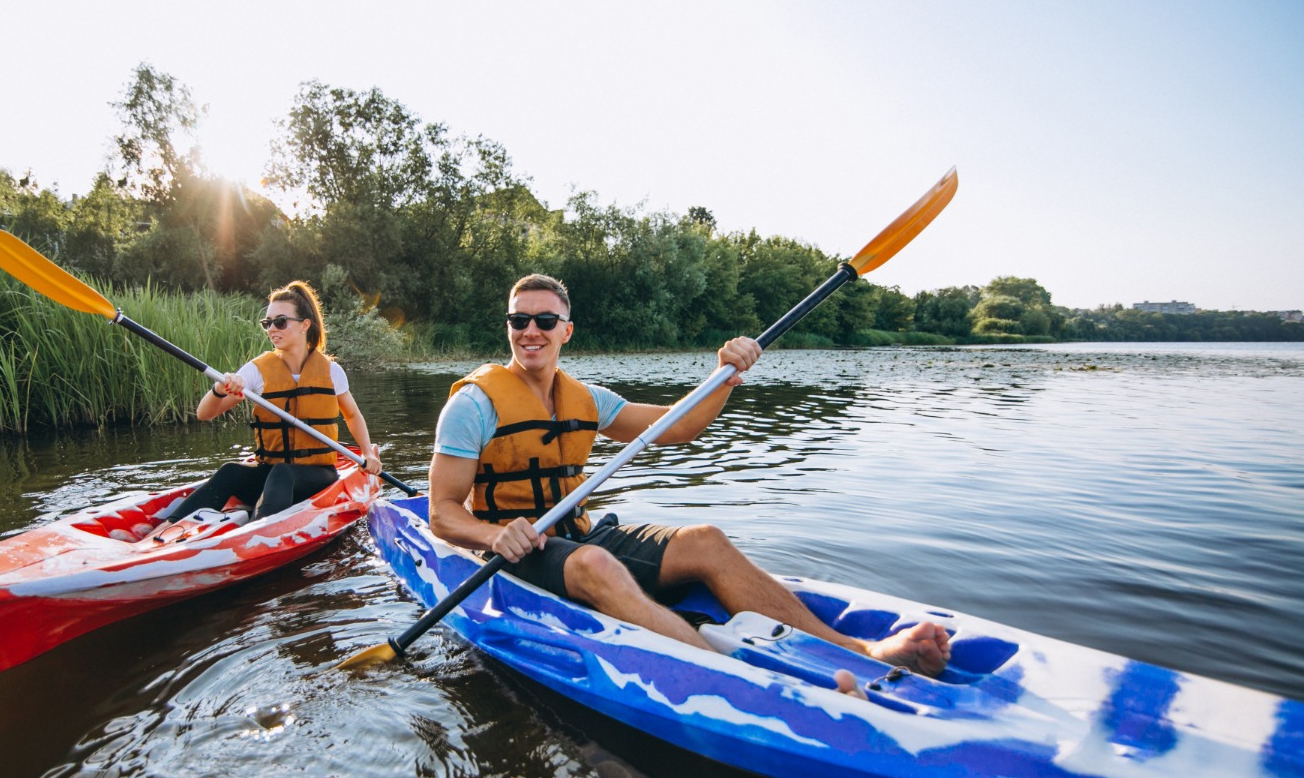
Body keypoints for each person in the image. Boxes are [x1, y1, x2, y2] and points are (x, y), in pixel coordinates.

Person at [426, 273, 950, 676]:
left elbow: (680, 426)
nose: (531, 331)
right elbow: (442, 513)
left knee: (705, 540)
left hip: (577, 535)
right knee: (595, 564)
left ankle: (865, 651)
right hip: (513, 555)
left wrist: (726, 375)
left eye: (544, 321)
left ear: (567, 330)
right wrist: (495, 533)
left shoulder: (588, 399)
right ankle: (728, 674)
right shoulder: (474, 403)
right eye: (520, 321)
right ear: (509, 327)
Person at [161, 280, 382, 525]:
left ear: (304, 325)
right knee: (230, 472)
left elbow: (352, 415)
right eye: (267, 323)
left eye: (280, 322)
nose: (272, 329)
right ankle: (166, 528)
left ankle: (257, 531)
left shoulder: (331, 371)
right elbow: (204, 414)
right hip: (271, 473)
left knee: (283, 473)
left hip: (317, 475)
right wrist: (220, 388)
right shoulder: (257, 370)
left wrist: (367, 453)